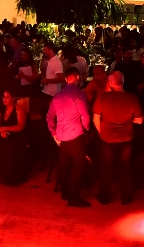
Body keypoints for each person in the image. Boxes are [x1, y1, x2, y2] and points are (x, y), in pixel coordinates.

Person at [93, 71, 143, 205]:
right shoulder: (132, 98)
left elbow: (96, 118)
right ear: (122, 82)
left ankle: (104, 196)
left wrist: (101, 132)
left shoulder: (103, 97)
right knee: (125, 167)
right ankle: (126, 197)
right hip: (126, 139)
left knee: (106, 168)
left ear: (110, 83)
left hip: (107, 139)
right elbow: (139, 121)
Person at [46, 68, 91, 207]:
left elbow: (49, 117)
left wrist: (54, 133)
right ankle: (73, 197)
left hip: (61, 136)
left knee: (63, 165)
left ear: (66, 79)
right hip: (75, 135)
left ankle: (65, 192)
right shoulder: (79, 94)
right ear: (77, 77)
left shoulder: (57, 96)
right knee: (78, 165)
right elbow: (85, 116)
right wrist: (87, 128)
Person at [0, 89, 28, 185]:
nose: (4, 99)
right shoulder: (1, 109)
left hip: (17, 134)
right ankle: (1, 174)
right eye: (3, 97)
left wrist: (6, 128)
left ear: (13, 98)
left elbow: (20, 126)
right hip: (4, 133)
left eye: (7, 97)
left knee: (11, 146)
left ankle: (13, 177)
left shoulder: (19, 109)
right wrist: (0, 131)